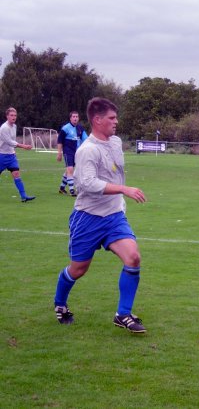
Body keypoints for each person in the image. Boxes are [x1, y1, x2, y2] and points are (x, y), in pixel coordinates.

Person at [52, 97, 147, 333]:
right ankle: (60, 304)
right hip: (88, 218)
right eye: (111, 118)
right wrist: (124, 189)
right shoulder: (87, 150)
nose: (116, 122)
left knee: (133, 258)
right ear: (97, 120)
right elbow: (87, 183)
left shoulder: (115, 142)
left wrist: (120, 197)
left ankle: (123, 314)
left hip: (114, 216)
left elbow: (115, 173)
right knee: (78, 269)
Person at [0, 107, 36, 202]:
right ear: (7, 116)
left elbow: (13, 141)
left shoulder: (14, 126)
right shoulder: (4, 128)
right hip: (2, 155)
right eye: (11, 115)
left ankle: (24, 196)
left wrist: (13, 151)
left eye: (15, 115)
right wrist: (23, 146)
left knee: (16, 174)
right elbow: (9, 142)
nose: (13, 117)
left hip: (11, 156)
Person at [57, 110, 88, 196]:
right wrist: (59, 153)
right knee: (70, 169)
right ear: (70, 118)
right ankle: (72, 190)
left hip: (77, 152)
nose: (75, 118)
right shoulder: (65, 128)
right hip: (68, 152)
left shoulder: (80, 128)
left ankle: (62, 188)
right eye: (73, 117)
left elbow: (86, 140)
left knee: (68, 170)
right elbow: (59, 141)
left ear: (78, 118)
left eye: (76, 117)